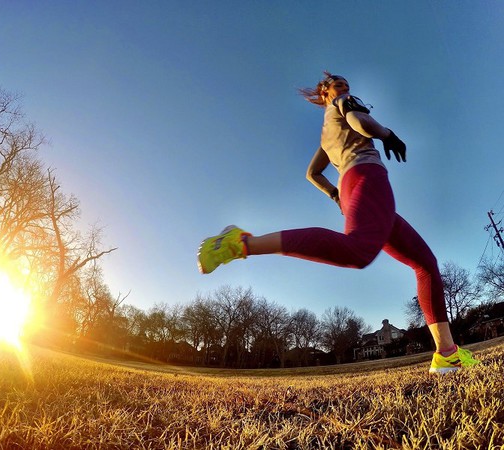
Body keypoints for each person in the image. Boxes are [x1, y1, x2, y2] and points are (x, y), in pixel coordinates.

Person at [197, 71, 479, 374]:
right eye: (336, 83)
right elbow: (361, 122)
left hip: (355, 188)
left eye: (345, 82)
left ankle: (447, 352)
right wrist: (386, 134)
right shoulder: (344, 103)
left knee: (425, 263)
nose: (343, 85)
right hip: (368, 179)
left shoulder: (327, 132)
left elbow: (312, 173)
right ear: (325, 92)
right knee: (357, 252)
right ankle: (240, 243)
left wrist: (336, 196)